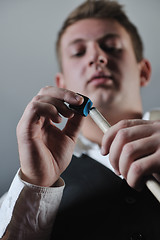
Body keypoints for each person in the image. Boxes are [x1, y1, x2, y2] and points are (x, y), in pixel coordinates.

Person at [1, 0, 160, 239]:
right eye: (78, 52)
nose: (96, 56)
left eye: (112, 47)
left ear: (144, 71)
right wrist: (36, 184)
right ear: (62, 83)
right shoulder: (16, 195)